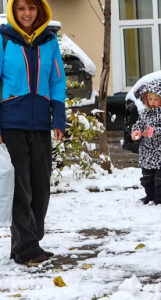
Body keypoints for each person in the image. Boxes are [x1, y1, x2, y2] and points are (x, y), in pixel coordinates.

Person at [0, 0, 66, 266]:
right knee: (20, 187)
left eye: (32, 8)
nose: (27, 13)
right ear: (13, 12)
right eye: (21, 8)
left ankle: (28, 242)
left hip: (40, 122)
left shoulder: (49, 41)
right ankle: (26, 248)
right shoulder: (4, 40)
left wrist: (58, 118)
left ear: (41, 10)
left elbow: (57, 80)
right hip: (11, 123)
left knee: (41, 185)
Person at [131, 79, 161, 206]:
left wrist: (154, 132)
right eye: (150, 99)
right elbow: (138, 125)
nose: (153, 103)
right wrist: (136, 132)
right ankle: (150, 195)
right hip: (147, 154)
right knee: (147, 178)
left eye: (157, 99)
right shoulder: (145, 113)